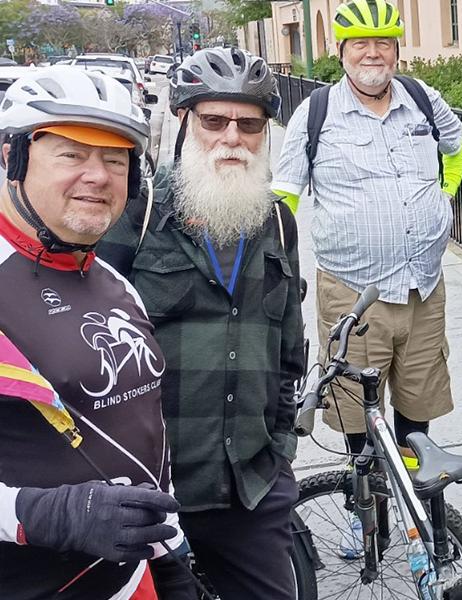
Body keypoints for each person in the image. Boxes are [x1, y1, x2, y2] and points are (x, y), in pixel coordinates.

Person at [96, 48, 304, 599]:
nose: (232, 138)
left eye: (249, 125)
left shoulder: (278, 222)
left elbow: (289, 352)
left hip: (251, 489)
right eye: (214, 121)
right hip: (152, 492)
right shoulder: (134, 216)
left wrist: (280, 451)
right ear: (184, 121)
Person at [0, 66, 191, 599]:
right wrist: (40, 514)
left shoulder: (112, 281)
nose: (98, 176)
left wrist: (171, 546)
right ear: (13, 159)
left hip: (132, 579)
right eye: (71, 155)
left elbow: (143, 424)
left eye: (115, 159)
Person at [272, 0, 462, 459]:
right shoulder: (316, 112)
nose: (373, 52)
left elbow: (459, 146)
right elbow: (285, 195)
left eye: (383, 42)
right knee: (356, 417)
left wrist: (445, 196)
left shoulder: (421, 98)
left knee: (417, 412)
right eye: (360, 43)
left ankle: (413, 489)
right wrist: (277, 267)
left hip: (423, 289)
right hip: (353, 295)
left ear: (397, 51)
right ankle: (369, 498)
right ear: (341, 51)